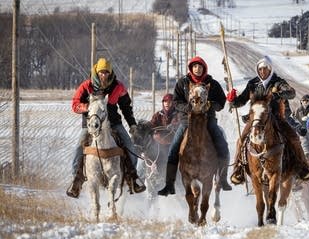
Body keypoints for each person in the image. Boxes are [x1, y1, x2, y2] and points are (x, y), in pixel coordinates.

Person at [66, 57, 146, 198]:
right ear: (96, 72)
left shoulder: (118, 87)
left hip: (114, 124)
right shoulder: (86, 86)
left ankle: (133, 178)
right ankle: (76, 181)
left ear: (110, 73)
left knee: (130, 147)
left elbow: (126, 107)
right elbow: (75, 104)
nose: (104, 75)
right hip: (91, 125)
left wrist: (132, 124)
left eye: (106, 73)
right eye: (101, 73)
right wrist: (88, 107)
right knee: (78, 149)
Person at [226, 55, 309, 185]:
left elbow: (291, 93)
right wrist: (233, 100)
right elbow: (241, 101)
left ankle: (302, 167)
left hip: (277, 118)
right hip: (256, 119)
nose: (262, 71)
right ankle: (239, 169)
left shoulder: (278, 82)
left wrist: (279, 92)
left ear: (270, 69)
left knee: (294, 138)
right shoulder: (253, 84)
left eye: (265, 69)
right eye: (260, 69)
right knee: (241, 140)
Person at [157, 56, 232, 196]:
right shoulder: (183, 83)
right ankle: (169, 184)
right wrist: (188, 107)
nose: (197, 69)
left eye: (200, 67)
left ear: (204, 68)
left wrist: (210, 105)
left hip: (208, 120)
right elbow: (176, 101)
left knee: (222, 145)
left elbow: (221, 102)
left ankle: (222, 179)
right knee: (173, 149)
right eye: (195, 67)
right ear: (191, 68)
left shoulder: (212, 83)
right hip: (187, 121)